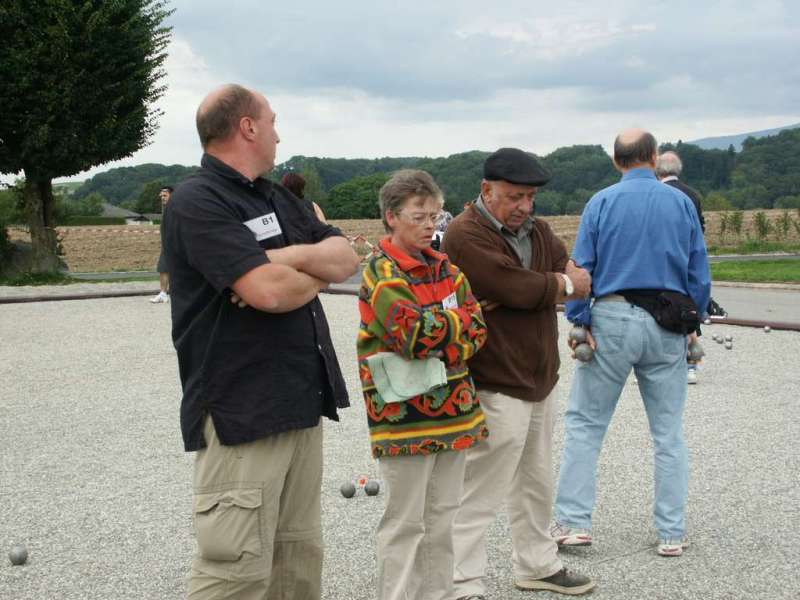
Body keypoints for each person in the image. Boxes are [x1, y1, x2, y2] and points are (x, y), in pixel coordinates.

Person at [162, 84, 360, 599]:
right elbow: (269, 294)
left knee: (296, 562)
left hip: (299, 400)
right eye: (272, 121)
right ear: (247, 127)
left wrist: (277, 259)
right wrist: (295, 266)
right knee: (236, 570)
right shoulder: (196, 201)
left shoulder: (276, 196)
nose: (278, 132)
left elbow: (345, 258)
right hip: (240, 410)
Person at [441, 148, 595, 598]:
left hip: (539, 377)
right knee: (480, 487)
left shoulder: (539, 229)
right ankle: (459, 581)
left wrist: (550, 285)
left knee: (536, 480)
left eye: (530, 197)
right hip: (494, 380)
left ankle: (538, 565)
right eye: (514, 197)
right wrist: (559, 286)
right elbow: (511, 284)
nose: (524, 207)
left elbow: (560, 270)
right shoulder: (465, 234)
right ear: (486, 190)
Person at [552, 129, 711, 558]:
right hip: (668, 321)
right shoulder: (680, 202)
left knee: (586, 424)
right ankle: (671, 531)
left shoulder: (601, 202)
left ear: (616, 161)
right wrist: (694, 320)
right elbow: (699, 269)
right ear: (654, 157)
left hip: (612, 316)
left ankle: (574, 523)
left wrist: (580, 320)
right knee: (668, 432)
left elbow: (582, 268)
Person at [357, 169, 488, 600]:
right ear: (392, 217)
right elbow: (411, 335)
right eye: (420, 216)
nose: (431, 225)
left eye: (435, 215)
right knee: (404, 523)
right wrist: (454, 332)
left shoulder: (448, 269)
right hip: (404, 419)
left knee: (443, 519)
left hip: (456, 416)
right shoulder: (380, 271)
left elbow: (480, 330)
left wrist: (443, 336)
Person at [150, 185, 173, 303]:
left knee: (163, 268)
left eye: (164, 195)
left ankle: (164, 294)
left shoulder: (174, 208)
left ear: (171, 195)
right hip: (168, 245)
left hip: (173, 245)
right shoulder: (167, 209)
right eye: (161, 196)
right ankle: (164, 293)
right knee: (164, 268)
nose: (162, 198)